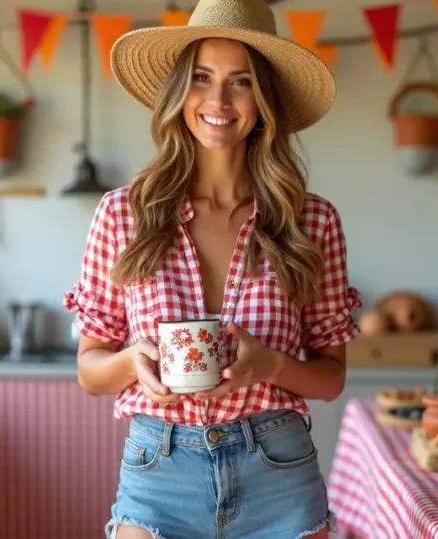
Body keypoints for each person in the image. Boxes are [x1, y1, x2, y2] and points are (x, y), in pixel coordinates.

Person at [64, 0, 360, 537]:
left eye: (241, 81)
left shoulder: (310, 220)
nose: (219, 100)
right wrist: (135, 362)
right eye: (202, 77)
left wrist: (269, 365)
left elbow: (331, 377)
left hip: (279, 470)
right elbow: (90, 369)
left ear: (264, 99)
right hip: (158, 472)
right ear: (180, 91)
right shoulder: (123, 214)